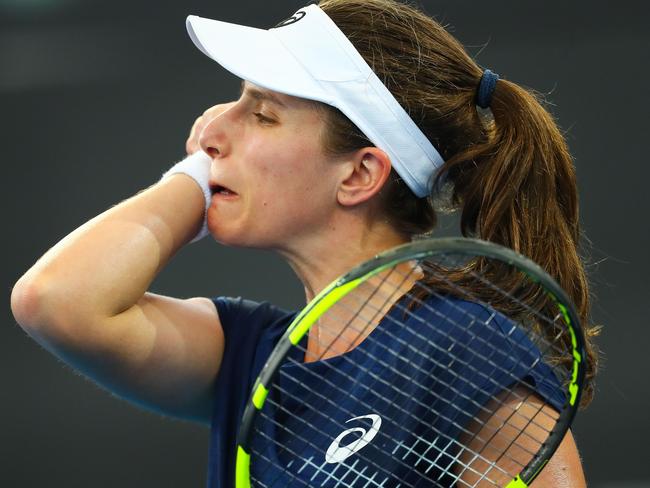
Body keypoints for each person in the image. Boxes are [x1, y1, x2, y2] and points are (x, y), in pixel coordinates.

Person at [11, 0, 599, 486]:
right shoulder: (248, 357)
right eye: (233, 101)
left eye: (262, 115)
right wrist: (194, 176)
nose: (210, 128)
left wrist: (214, 161)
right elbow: (56, 301)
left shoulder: (463, 347)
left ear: (359, 175)